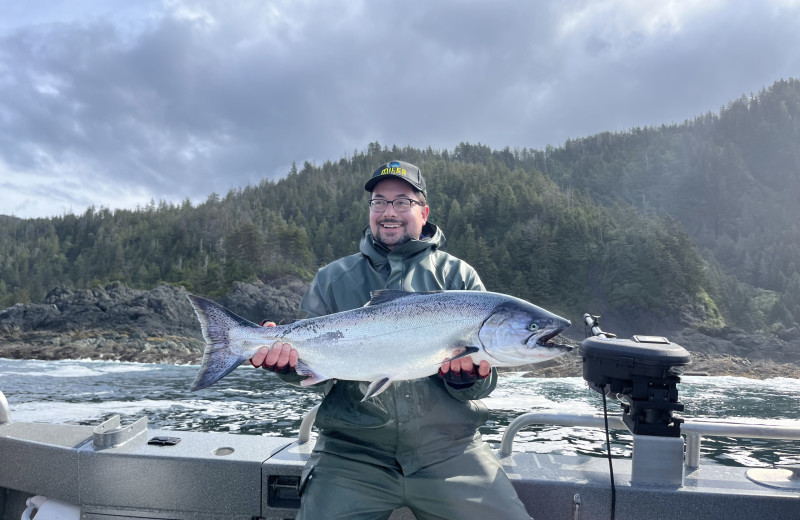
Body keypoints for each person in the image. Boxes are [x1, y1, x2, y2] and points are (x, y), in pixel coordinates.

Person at [250, 160, 531, 519]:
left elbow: (483, 381)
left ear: (423, 211)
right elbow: (313, 372)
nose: (388, 212)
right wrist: (287, 366)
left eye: (402, 202)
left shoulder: (459, 276)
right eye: (379, 202)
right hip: (349, 457)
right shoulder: (333, 279)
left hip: (450, 451)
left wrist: (469, 379)